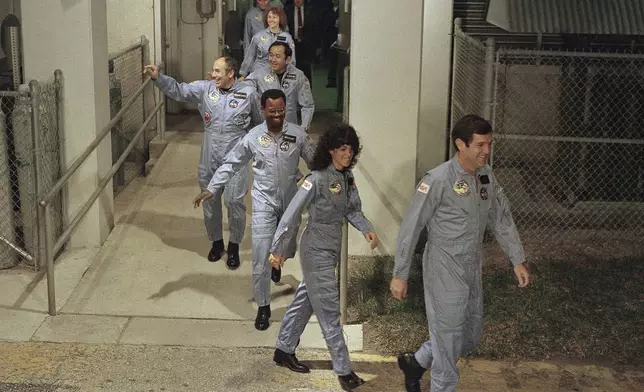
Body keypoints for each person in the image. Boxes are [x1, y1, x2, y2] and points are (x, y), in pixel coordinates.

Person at [389, 114, 531, 392]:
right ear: (460, 145)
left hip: (471, 265)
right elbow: (411, 227)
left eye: (489, 144)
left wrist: (517, 259)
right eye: (480, 145)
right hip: (444, 266)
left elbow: (501, 219)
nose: (486, 151)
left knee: (469, 336)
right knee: (449, 344)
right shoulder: (438, 179)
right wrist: (400, 274)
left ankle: (416, 363)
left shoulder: (486, 176)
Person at [268, 123, 378, 391]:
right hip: (315, 248)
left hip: (330, 249)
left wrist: (367, 230)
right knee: (329, 311)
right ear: (330, 151)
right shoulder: (315, 179)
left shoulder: (347, 178)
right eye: (342, 149)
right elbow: (291, 214)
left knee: (308, 298)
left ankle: (283, 349)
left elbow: (353, 210)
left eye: (351, 149)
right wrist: (279, 249)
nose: (348, 154)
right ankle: (344, 370)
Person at [193, 89, 314, 331]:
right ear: (263, 109)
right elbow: (232, 162)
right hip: (263, 204)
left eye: (281, 110)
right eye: (272, 111)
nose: (277, 115)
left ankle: (278, 262)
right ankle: (263, 306)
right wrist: (213, 186)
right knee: (260, 257)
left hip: (290, 206)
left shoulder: (298, 135)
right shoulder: (253, 137)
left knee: (287, 248)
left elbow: (317, 162)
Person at [144, 57, 262, 269]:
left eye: (218, 71)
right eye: (213, 70)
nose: (213, 74)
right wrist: (158, 78)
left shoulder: (248, 94)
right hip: (210, 154)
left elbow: (258, 123)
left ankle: (234, 245)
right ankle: (216, 243)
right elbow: (179, 91)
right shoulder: (205, 90)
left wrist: (251, 149)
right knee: (209, 200)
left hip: (236, 158)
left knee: (234, 202)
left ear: (231, 73)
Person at [244, 41, 314, 130]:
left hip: (289, 129)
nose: (273, 60)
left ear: (288, 59)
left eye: (277, 56)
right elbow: (244, 90)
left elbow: (307, 105)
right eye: (271, 55)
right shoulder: (259, 74)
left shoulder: (298, 76)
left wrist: (304, 128)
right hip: (264, 130)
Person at [240, 7, 296, 77]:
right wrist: (243, 74)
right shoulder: (258, 37)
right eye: (269, 17)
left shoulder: (287, 38)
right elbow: (249, 57)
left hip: (279, 75)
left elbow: (292, 60)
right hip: (259, 74)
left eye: (274, 17)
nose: (271, 20)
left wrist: (289, 74)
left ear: (280, 19)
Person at [284, 0, 320, 86]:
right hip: (292, 45)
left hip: (307, 46)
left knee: (306, 72)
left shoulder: (312, 9)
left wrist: (318, 46)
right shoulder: (287, 10)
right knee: (292, 71)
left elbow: (317, 28)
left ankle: (307, 94)